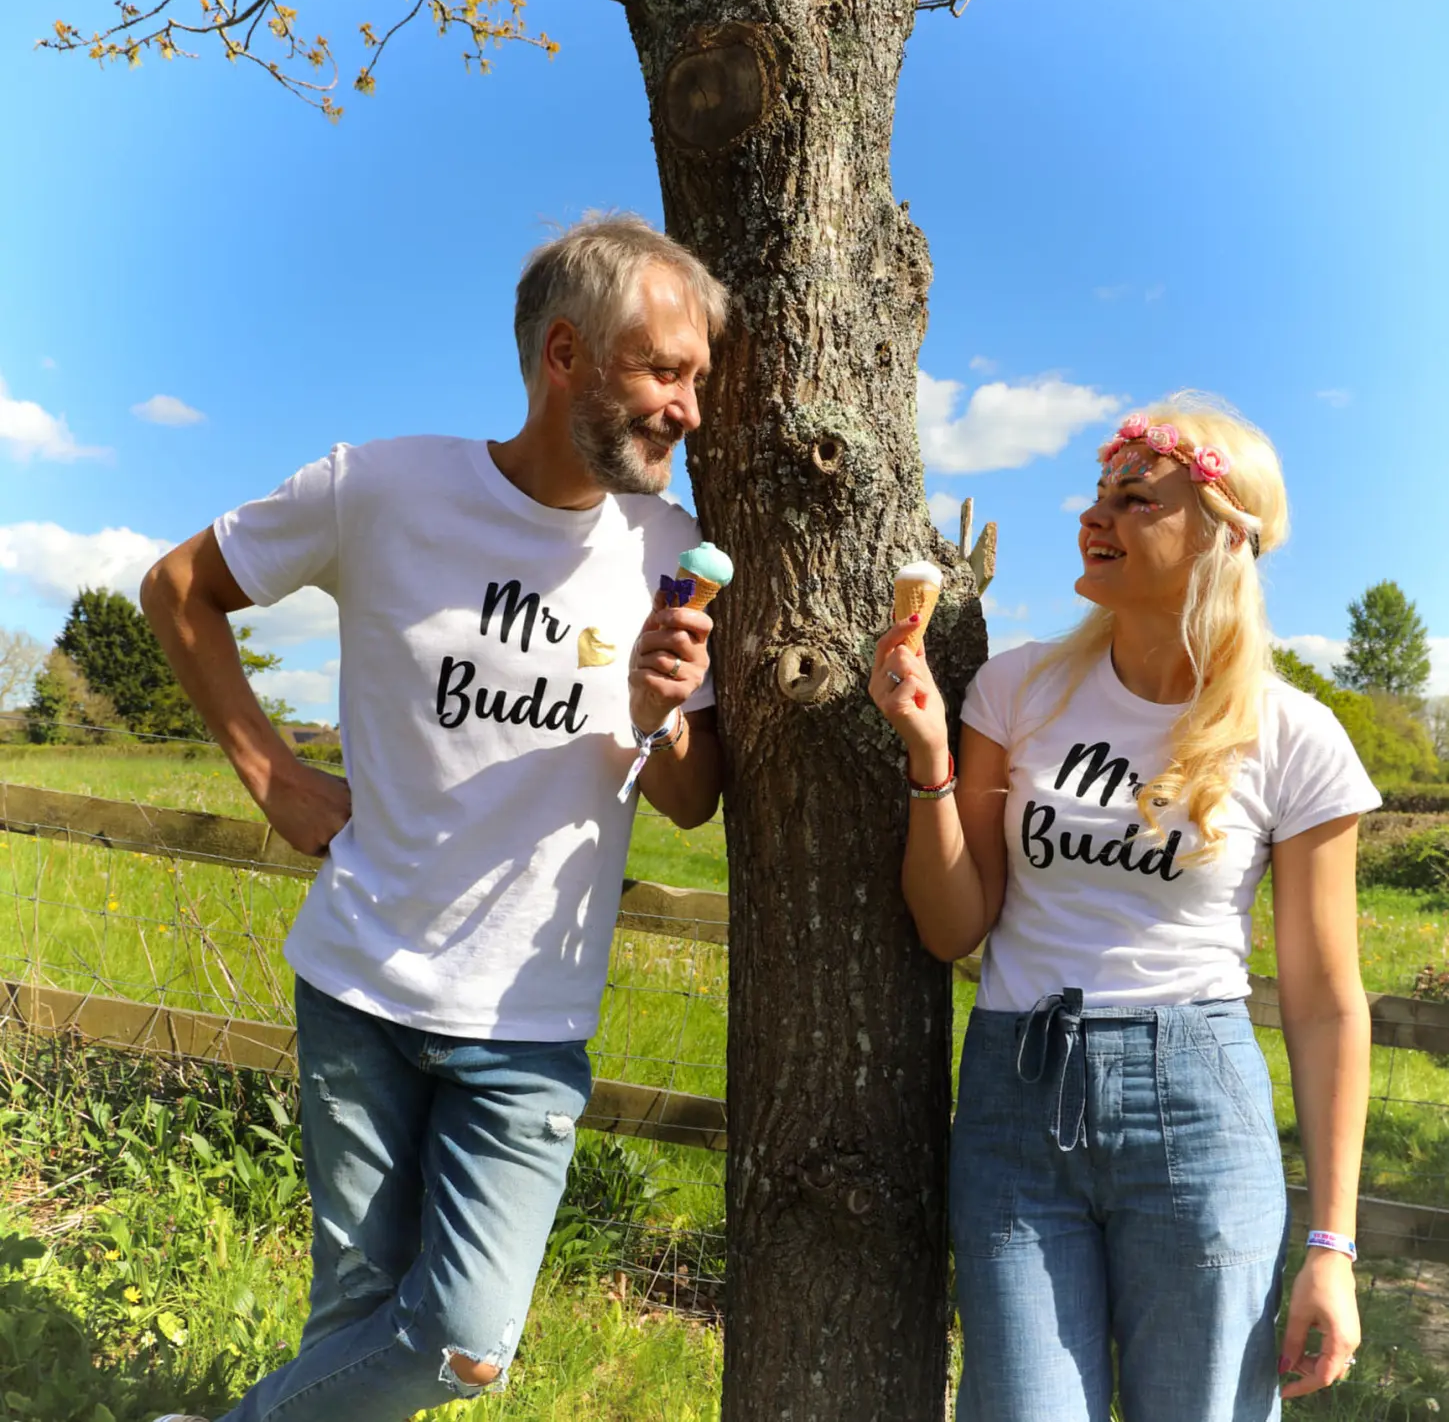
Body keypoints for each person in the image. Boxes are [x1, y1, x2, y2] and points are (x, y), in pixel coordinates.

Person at [141, 214, 728, 1422]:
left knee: (461, 1343)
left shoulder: (671, 553)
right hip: (357, 976)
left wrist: (660, 707)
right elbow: (179, 589)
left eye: (699, 381)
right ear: (566, 353)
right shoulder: (384, 487)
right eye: (666, 371)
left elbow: (686, 800)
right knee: (352, 1327)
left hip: (528, 1015)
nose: (689, 410)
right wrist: (272, 775)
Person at [870, 395, 1378, 1422]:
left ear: (1221, 536)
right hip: (1018, 1095)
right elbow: (953, 926)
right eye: (1100, 494)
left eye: (1135, 500)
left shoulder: (1297, 736)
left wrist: (1332, 1246)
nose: (1094, 518)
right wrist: (929, 761)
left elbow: (1326, 1004)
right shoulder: (1016, 690)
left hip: (1197, 1107)